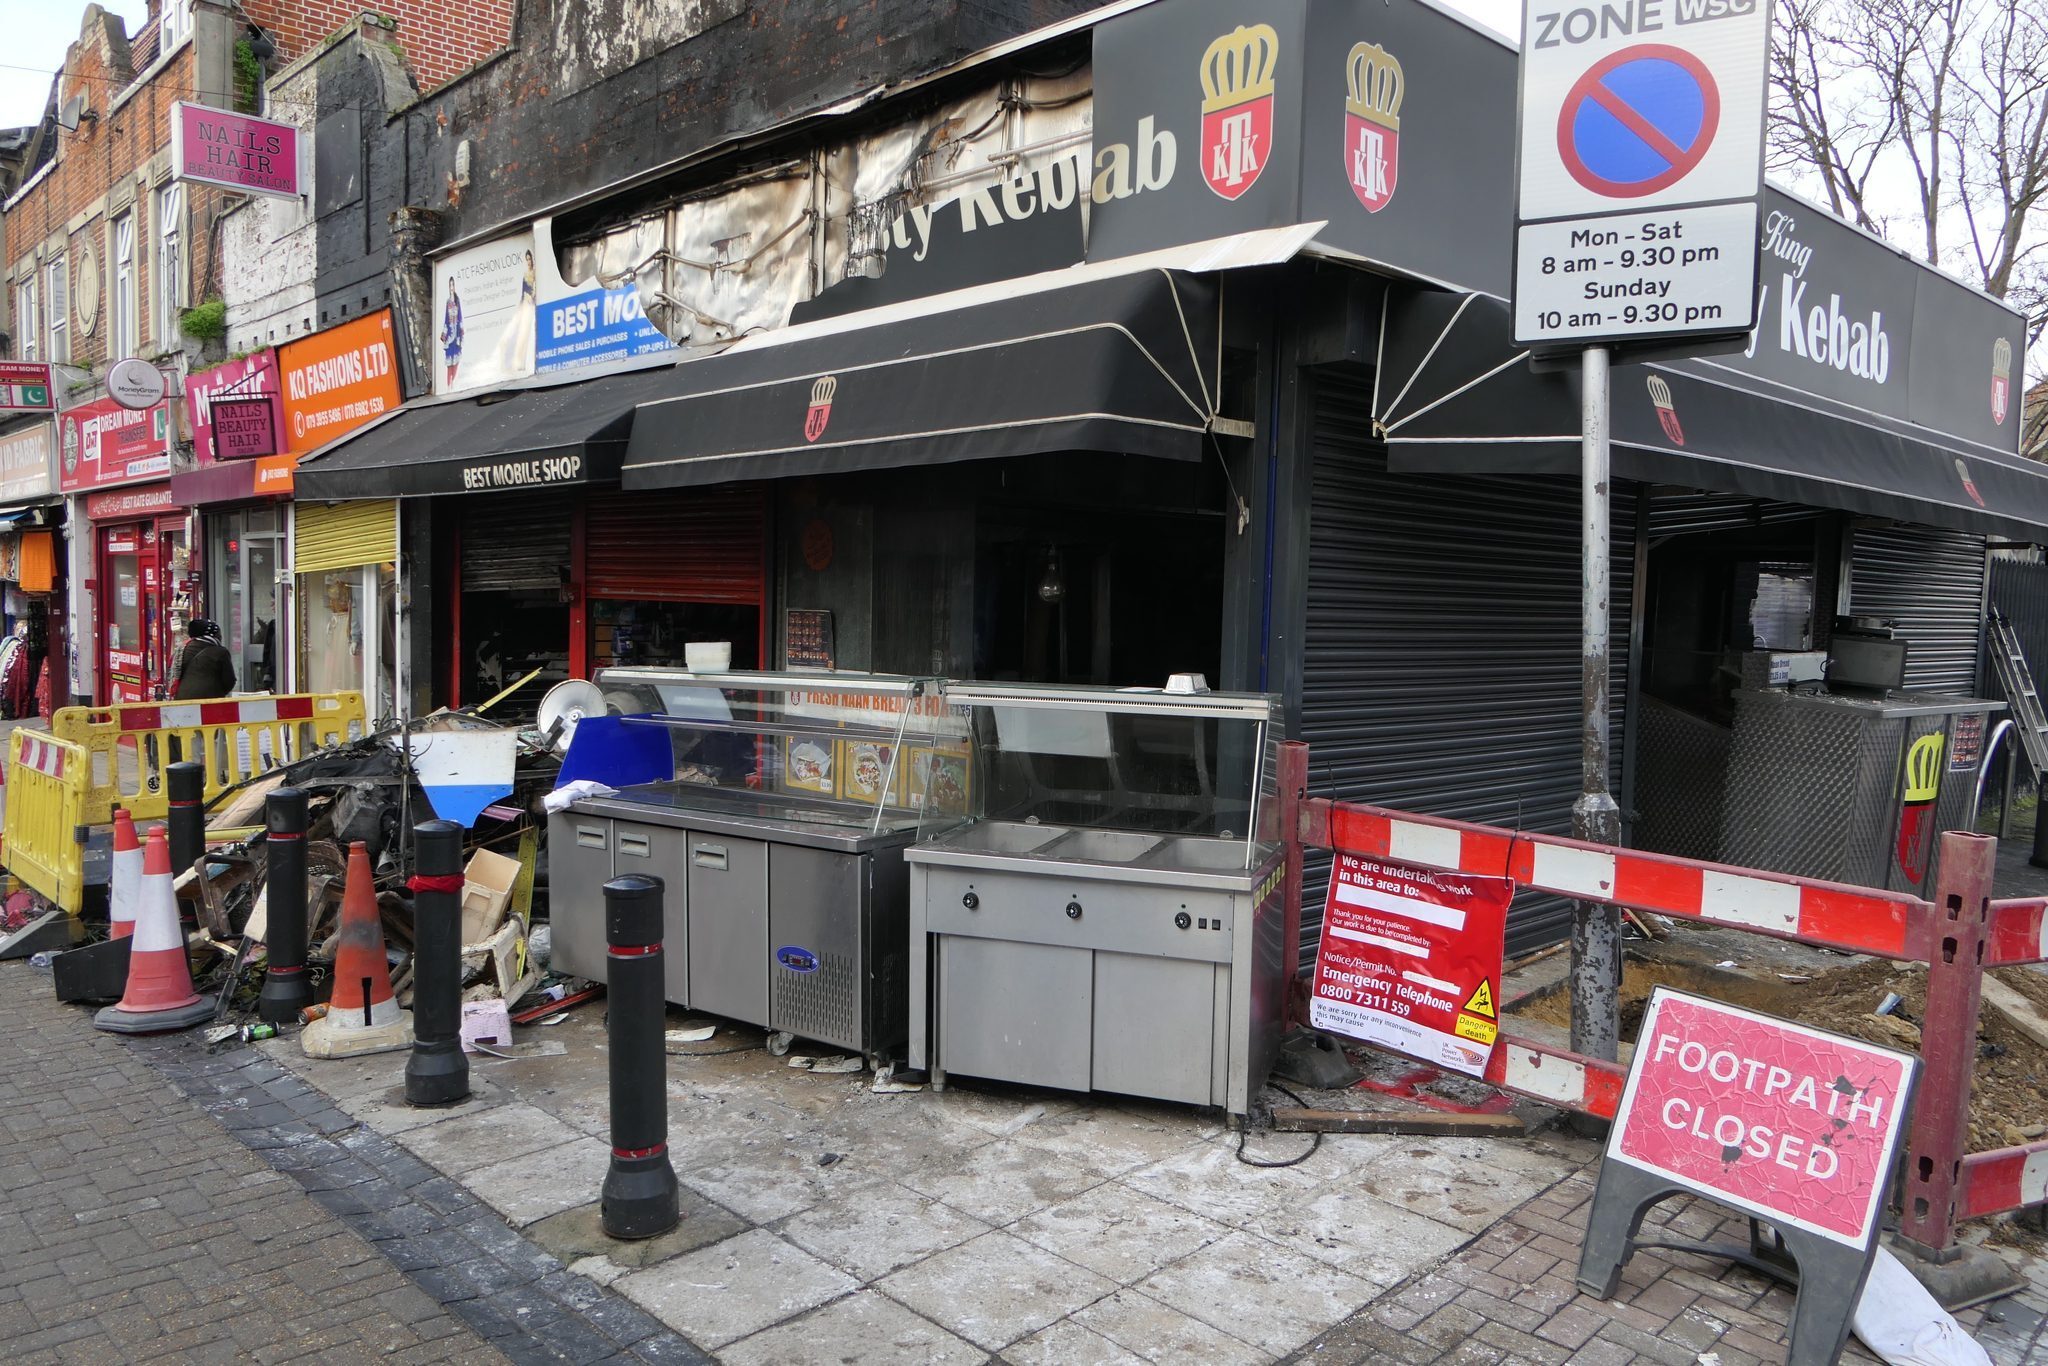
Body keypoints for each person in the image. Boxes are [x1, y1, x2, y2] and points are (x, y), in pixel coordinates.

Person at [169, 619, 236, 700]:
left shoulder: (181, 649)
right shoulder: (220, 652)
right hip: (209, 701)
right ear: (213, 635)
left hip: (182, 700)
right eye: (218, 633)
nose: (220, 636)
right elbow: (229, 681)